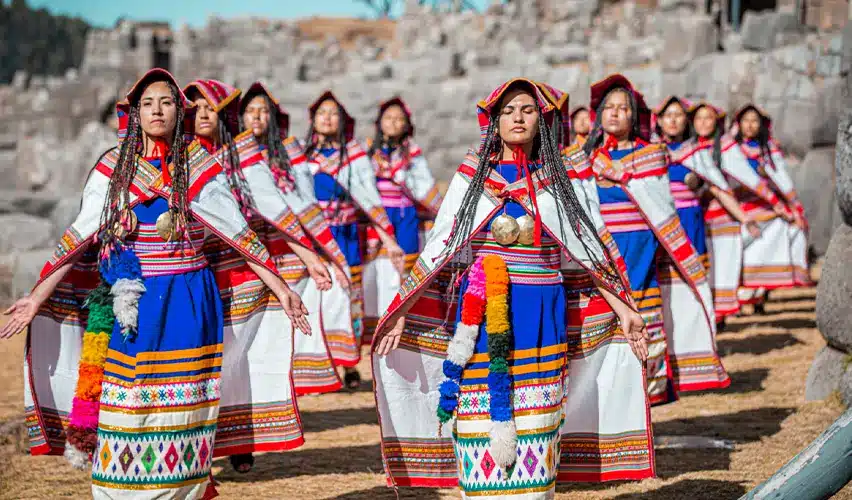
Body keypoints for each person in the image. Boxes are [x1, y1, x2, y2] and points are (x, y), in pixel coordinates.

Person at [3, 69, 309, 499]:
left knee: (181, 406)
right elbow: (80, 235)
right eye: (147, 103)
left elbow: (237, 233)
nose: (157, 110)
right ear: (134, 113)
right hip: (134, 302)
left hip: (189, 299)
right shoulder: (113, 168)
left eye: (166, 102)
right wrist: (36, 298)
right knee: (126, 402)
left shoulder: (199, 164)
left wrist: (282, 288)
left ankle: (183, 490)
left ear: (179, 111)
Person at [372, 79, 654, 497]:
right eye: (508, 111)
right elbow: (441, 248)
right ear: (494, 121)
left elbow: (585, 250)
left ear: (541, 120)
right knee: (480, 407)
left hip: (540, 310)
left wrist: (625, 309)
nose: (518, 118)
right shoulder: (473, 176)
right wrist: (401, 309)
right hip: (481, 311)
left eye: (527, 110)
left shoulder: (555, 178)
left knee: (535, 414)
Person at [185, 78, 331, 474]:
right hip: (194, 268)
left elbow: (274, 210)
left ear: (223, 115)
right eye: (195, 108)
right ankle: (197, 441)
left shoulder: (241, 155)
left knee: (238, 353)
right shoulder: (179, 157)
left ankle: (237, 438)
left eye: (210, 108)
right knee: (200, 355)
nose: (202, 115)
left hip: (244, 266)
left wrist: (310, 254)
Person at [583, 76, 727, 404]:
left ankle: (644, 404)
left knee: (645, 334)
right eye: (610, 108)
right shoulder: (583, 159)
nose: (616, 114)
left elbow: (661, 210)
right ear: (599, 115)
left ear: (636, 116)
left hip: (643, 255)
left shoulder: (651, 155)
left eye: (624, 109)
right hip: (603, 257)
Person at [239, 82, 351, 395]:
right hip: (247, 246)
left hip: (287, 243)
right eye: (250, 111)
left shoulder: (288, 152)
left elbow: (304, 200)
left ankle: (294, 377)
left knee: (289, 310)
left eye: (264, 111)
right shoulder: (230, 153)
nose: (257, 116)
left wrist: (313, 248)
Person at [291, 91, 404, 389]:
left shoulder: (354, 155)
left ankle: (348, 363)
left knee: (346, 298)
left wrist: (388, 241)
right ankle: (318, 364)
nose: (327, 118)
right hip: (314, 238)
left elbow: (369, 199)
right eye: (321, 113)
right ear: (313, 121)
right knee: (317, 298)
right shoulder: (301, 156)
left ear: (343, 121)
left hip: (346, 237)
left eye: (333, 113)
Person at [654, 97, 760, 336]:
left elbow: (719, 189)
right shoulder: (650, 150)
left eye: (678, 115)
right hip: (660, 221)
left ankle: (695, 333)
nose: (672, 120)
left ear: (686, 121)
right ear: (658, 121)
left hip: (690, 221)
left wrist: (744, 218)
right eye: (667, 115)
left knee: (693, 281)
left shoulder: (697, 152)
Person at [362, 97, 443, 340]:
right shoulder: (368, 152)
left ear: (407, 124)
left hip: (405, 218)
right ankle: (378, 325)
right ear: (379, 123)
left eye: (399, 119)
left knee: (404, 270)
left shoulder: (412, 153)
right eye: (389, 118)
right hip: (379, 218)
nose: (394, 123)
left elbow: (425, 186)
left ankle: (402, 321)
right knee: (377, 270)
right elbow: (364, 188)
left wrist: (402, 178)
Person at [684, 101, 761, 324]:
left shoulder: (726, 147)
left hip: (724, 216)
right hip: (696, 217)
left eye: (708, 118)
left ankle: (718, 316)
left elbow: (742, 180)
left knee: (722, 265)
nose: (703, 123)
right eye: (699, 118)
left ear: (717, 123)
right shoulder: (686, 149)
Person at [728, 105, 811, 311]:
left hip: (769, 206)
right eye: (745, 120)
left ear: (762, 125)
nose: (750, 125)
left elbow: (781, 178)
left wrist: (793, 208)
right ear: (738, 124)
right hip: (739, 206)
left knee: (785, 232)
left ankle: (762, 292)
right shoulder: (731, 150)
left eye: (754, 120)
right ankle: (741, 295)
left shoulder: (769, 149)